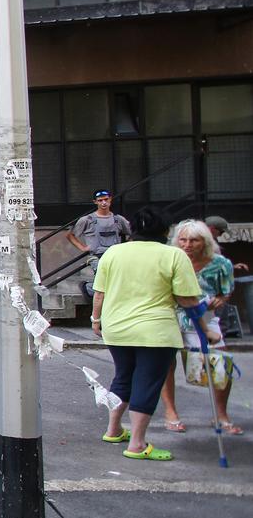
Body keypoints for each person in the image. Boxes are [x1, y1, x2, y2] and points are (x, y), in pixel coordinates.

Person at [91, 206, 201, 461]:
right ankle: (137, 444)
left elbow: (100, 293)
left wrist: (96, 321)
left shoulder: (113, 253)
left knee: (123, 377)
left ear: (133, 229)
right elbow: (187, 299)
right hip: (156, 331)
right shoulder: (173, 255)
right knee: (147, 382)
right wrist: (204, 327)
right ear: (165, 230)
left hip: (117, 328)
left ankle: (114, 429)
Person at [157, 219, 239, 434]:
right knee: (166, 363)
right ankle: (170, 412)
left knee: (221, 363)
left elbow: (226, 290)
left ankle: (221, 415)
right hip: (171, 315)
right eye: (182, 240)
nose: (187, 245)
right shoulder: (170, 258)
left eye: (194, 240)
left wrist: (222, 299)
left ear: (205, 241)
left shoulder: (220, 263)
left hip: (205, 317)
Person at [69, 189, 131, 295]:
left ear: (110, 200)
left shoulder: (118, 219)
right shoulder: (87, 220)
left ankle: (90, 288)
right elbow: (71, 235)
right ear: (95, 202)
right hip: (97, 256)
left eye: (106, 199)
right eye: (100, 200)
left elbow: (132, 232)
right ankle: (87, 287)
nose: (104, 203)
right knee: (103, 280)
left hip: (115, 256)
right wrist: (83, 248)